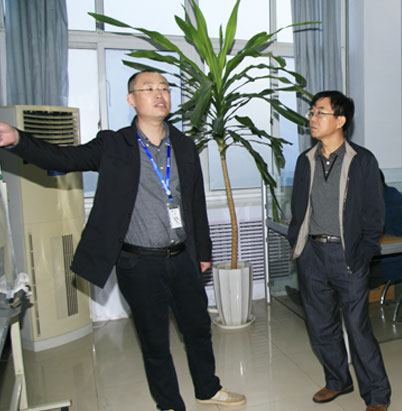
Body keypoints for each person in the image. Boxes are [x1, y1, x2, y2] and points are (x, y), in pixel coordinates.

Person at [0, 71, 245, 411]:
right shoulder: (114, 145)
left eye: (164, 88)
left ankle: (207, 388)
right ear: (131, 99)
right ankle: (169, 404)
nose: (159, 94)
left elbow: (195, 202)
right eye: (149, 88)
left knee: (199, 329)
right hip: (138, 263)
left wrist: (203, 251)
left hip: (183, 257)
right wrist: (18, 139)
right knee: (154, 340)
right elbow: (63, 158)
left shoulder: (185, 145)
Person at [286, 90, 391, 411]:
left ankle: (377, 395)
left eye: (320, 112)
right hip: (312, 255)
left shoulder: (362, 160)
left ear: (340, 120)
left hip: (348, 255)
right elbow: (298, 207)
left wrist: (364, 252)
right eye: (312, 112)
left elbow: (375, 213)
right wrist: (299, 245)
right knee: (320, 325)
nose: (312, 118)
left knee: (358, 328)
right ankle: (337, 380)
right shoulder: (305, 160)